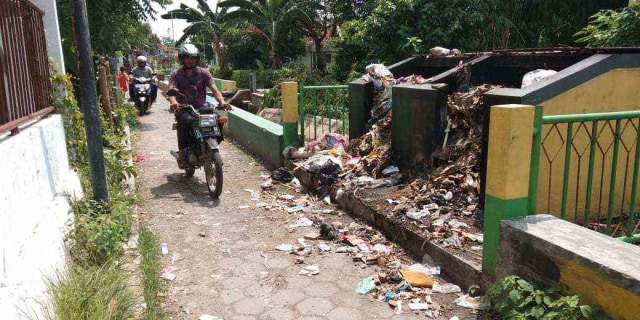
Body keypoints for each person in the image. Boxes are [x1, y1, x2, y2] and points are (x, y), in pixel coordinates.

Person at [168, 44, 233, 169]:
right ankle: (182, 155)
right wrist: (174, 102)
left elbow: (214, 89)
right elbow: (171, 91)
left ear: (197, 58)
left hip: (202, 108)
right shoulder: (176, 74)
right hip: (184, 108)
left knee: (218, 119)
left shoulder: (203, 73)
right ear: (182, 58)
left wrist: (222, 102)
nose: (190, 60)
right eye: (187, 57)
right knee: (184, 123)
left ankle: (211, 145)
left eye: (193, 57)